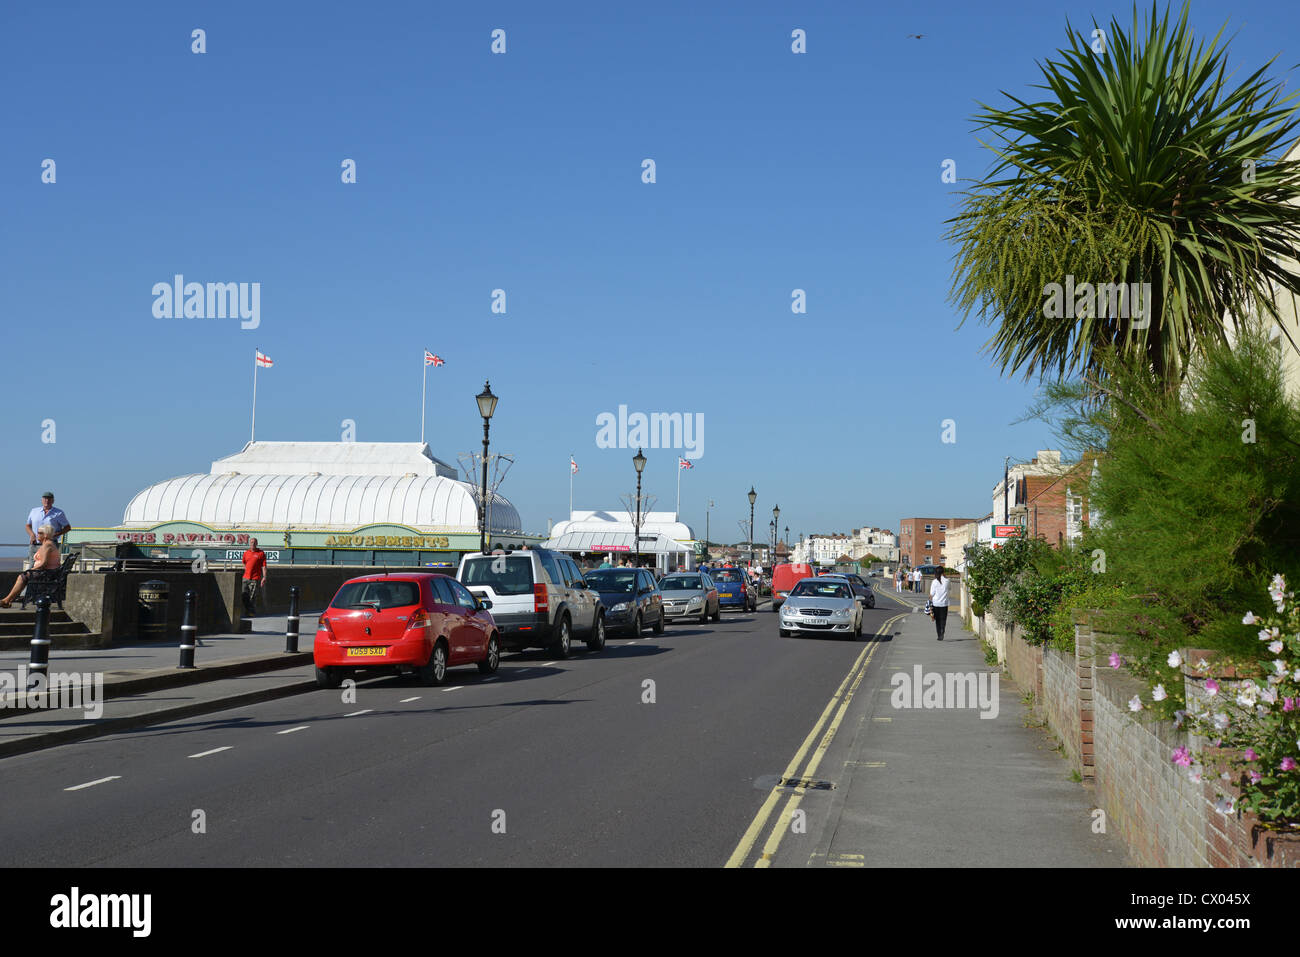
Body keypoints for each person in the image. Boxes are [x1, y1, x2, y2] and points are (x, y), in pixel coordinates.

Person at [2, 524, 60, 607]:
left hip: (47, 574)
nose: (37, 534)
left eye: (39, 533)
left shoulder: (47, 545)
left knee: (22, 577)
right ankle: (8, 600)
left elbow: (43, 563)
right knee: (23, 577)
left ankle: (7, 600)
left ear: (45, 535)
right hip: (49, 573)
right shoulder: (48, 544)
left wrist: (31, 570)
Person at [26, 492, 70, 563]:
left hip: (50, 544)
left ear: (53, 501)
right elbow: (28, 525)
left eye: (49, 499)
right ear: (42, 500)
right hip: (35, 544)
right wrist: (32, 535)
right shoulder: (34, 511)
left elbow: (67, 527)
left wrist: (55, 534)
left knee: (48, 565)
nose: (47, 501)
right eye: (45, 499)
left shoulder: (59, 513)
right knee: (33, 564)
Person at [241, 539, 268, 618]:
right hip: (245, 578)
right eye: (251, 542)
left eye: (254, 542)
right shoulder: (246, 553)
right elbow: (244, 563)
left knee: (252, 596)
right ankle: (247, 610)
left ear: (257, 543)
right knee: (244, 595)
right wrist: (246, 570)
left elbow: (264, 566)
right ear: (249, 543)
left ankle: (251, 612)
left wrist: (264, 577)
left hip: (255, 578)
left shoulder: (261, 553)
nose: (253, 544)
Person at [929, 567, 950, 640]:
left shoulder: (934, 582)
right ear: (943, 572)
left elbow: (932, 593)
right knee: (943, 619)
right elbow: (949, 589)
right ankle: (942, 630)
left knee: (937, 620)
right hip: (944, 603)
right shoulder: (947, 581)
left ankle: (939, 635)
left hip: (936, 603)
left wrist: (930, 602)